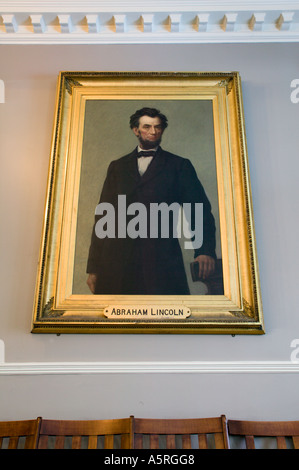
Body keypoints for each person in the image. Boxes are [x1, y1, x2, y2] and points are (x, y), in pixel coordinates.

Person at [86, 107, 216, 295]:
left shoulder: (179, 166)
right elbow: (104, 218)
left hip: (161, 264)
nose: (153, 132)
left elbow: (198, 210)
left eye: (158, 127)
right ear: (135, 130)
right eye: (147, 127)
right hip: (115, 265)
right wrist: (94, 268)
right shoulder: (117, 167)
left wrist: (204, 251)